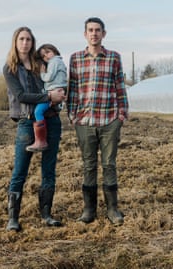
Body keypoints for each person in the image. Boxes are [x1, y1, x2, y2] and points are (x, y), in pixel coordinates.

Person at [67, 17, 129, 226]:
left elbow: (120, 85)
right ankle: (89, 210)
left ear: (104, 34)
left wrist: (121, 114)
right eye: (90, 30)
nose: (94, 33)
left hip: (109, 119)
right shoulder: (75, 59)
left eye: (98, 30)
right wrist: (73, 116)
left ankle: (112, 209)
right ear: (85, 34)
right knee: (89, 165)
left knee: (109, 164)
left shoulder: (114, 58)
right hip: (84, 121)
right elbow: (73, 89)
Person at [3, 27, 66, 231]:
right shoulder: (10, 68)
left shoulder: (40, 64)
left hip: (52, 120)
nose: (25, 43)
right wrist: (49, 97)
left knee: (49, 169)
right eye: (21, 39)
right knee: (20, 170)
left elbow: (57, 79)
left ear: (32, 42)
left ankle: (47, 214)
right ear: (15, 41)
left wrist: (59, 94)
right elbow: (21, 96)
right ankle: (13, 218)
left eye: (29, 39)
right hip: (27, 122)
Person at [26, 44, 68, 152]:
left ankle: (41, 141)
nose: (47, 57)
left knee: (38, 112)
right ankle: (51, 135)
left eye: (48, 52)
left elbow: (49, 77)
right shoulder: (60, 62)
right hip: (57, 90)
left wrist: (42, 73)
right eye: (44, 56)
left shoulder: (54, 61)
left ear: (54, 51)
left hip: (53, 92)